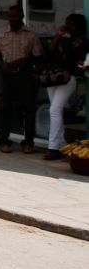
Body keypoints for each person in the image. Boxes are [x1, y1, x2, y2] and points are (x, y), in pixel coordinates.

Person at [0, 4, 41, 154]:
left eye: (15, 16)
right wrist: (2, 65)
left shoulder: (31, 34)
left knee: (28, 109)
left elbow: (37, 55)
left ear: (22, 16)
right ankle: (4, 141)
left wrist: (24, 61)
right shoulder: (1, 33)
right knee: (3, 108)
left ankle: (28, 143)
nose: (12, 19)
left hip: (24, 75)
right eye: (10, 16)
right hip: (6, 75)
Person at [43, 13, 88, 160]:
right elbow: (49, 52)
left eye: (72, 24)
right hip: (53, 78)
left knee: (54, 110)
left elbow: (71, 57)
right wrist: (57, 36)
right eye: (67, 23)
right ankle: (61, 145)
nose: (68, 27)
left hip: (68, 79)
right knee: (55, 111)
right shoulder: (64, 39)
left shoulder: (81, 41)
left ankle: (53, 148)